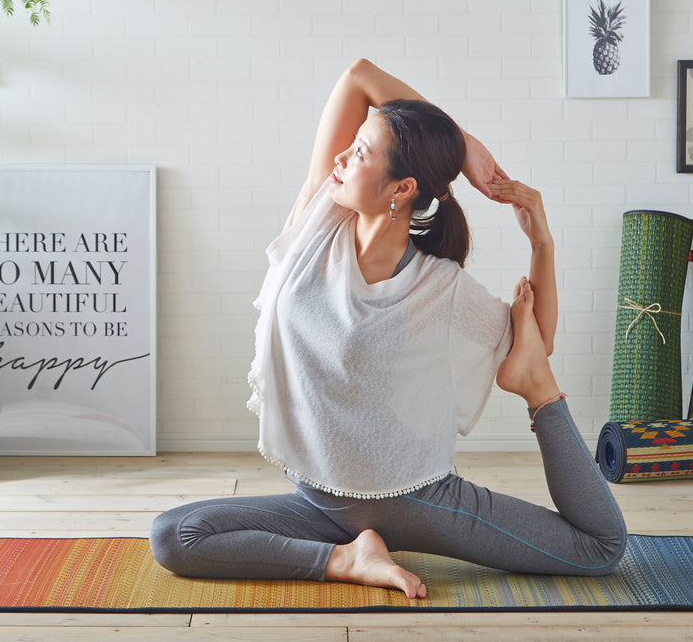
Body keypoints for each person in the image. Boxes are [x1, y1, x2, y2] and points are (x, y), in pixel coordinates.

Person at [149, 59, 626, 598]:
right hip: (320, 502)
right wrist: (464, 146)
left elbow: (538, 341)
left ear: (401, 188)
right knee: (174, 535)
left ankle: (539, 403)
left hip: (419, 502)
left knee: (600, 549)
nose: (340, 157)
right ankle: (348, 560)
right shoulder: (316, 223)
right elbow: (357, 77)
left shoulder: (441, 288)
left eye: (360, 153)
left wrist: (543, 245)